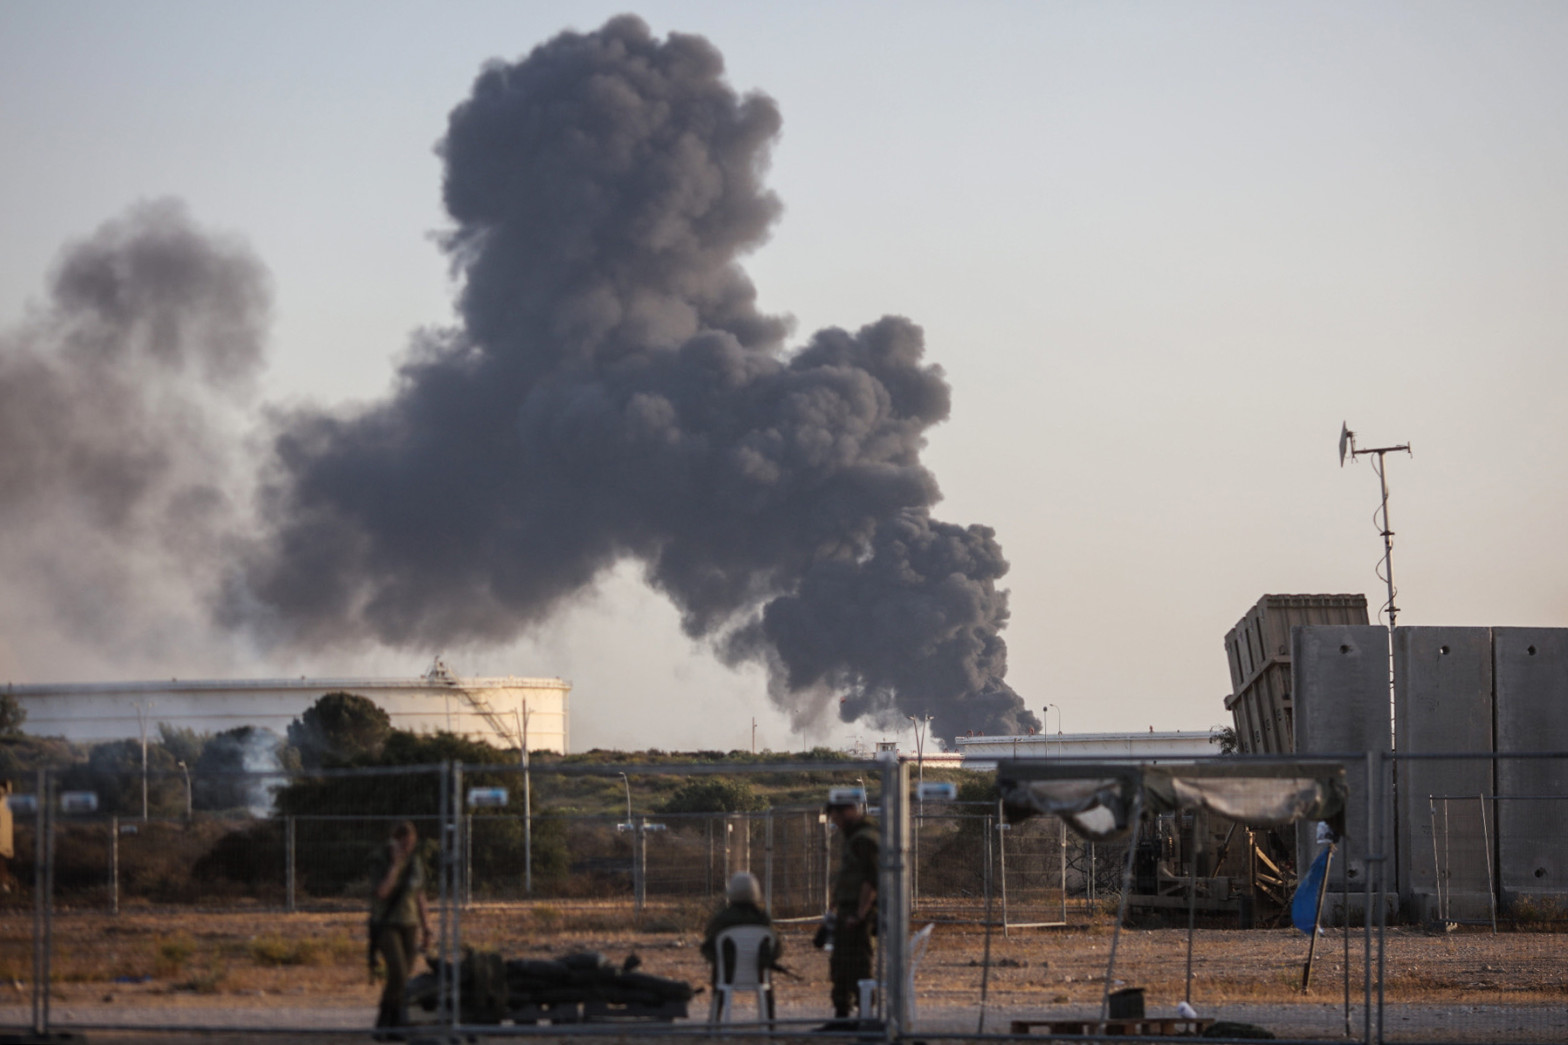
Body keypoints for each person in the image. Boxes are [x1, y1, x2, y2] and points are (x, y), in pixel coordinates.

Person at [369, 820, 431, 1038]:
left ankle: (394, 1024)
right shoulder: (381, 859)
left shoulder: (414, 862)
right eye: (404, 843)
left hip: (409, 922)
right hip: (387, 923)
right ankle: (384, 1022)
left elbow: (419, 894)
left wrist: (427, 927)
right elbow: (382, 892)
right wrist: (395, 865)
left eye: (411, 844)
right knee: (398, 971)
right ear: (394, 841)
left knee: (403, 978)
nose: (408, 848)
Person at [825, 793, 879, 1019]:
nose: (836, 823)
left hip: (858, 912)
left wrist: (859, 914)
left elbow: (871, 878)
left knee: (859, 964)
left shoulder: (864, 838)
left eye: (836, 818)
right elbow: (852, 875)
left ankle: (864, 1014)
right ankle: (843, 1012)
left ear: (847, 811)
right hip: (849, 909)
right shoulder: (855, 836)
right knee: (842, 962)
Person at [700, 871, 782, 984]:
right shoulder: (762, 919)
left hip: (727, 975)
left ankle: (719, 993)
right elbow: (776, 948)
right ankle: (766, 994)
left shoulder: (721, 918)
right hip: (757, 975)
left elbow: (708, 944)